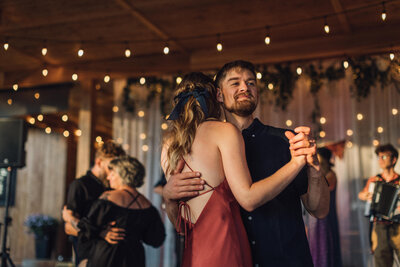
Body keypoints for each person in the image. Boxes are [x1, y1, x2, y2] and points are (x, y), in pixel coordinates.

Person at [162, 60, 330, 267]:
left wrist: (313, 168)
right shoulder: (204, 146)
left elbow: (319, 210)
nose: (245, 87)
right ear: (218, 95)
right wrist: (169, 198)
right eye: (235, 83)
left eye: (251, 83)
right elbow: (184, 224)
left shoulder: (285, 141)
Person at [68, 155, 165, 267]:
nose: (108, 177)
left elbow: (86, 230)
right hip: (134, 260)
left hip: (107, 258)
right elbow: (156, 239)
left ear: (122, 175)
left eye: (112, 174)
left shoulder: (107, 198)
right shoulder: (148, 205)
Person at [62, 140, 126, 266]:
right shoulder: (80, 185)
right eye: (111, 166)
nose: (114, 171)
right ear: (99, 162)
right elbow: (68, 228)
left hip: (112, 256)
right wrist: (101, 234)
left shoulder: (113, 186)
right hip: (88, 256)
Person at [358, 143, 399, 267]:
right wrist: (364, 195)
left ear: (394, 159)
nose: (380, 160)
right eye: (379, 157)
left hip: (398, 226)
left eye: (384, 157)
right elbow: (362, 194)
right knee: (381, 261)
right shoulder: (374, 180)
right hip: (379, 227)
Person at [307, 147, 342, 267]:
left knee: (326, 243)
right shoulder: (322, 174)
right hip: (315, 216)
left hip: (326, 215)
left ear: (326, 161)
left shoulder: (331, 175)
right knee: (315, 243)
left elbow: (322, 189)